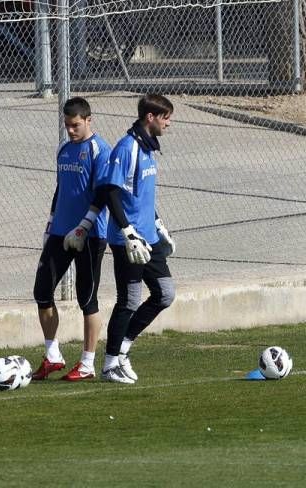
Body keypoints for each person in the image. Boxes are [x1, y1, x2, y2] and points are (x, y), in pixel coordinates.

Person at [64, 94, 176, 384]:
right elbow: (110, 191)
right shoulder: (127, 148)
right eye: (165, 117)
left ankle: (123, 349)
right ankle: (110, 363)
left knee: (165, 294)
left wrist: (159, 226)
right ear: (150, 117)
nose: (169, 123)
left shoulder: (148, 148)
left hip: (148, 237)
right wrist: (127, 232)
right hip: (129, 241)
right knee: (130, 300)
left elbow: (143, 195)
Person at [32, 96, 111, 381]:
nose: (71, 130)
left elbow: (103, 194)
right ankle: (52, 355)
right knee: (42, 291)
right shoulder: (64, 150)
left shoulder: (100, 150)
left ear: (89, 120)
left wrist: (84, 226)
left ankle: (87, 364)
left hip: (89, 235)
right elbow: (60, 189)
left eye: (75, 125)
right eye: (67, 125)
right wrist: (51, 224)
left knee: (86, 298)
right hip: (59, 232)